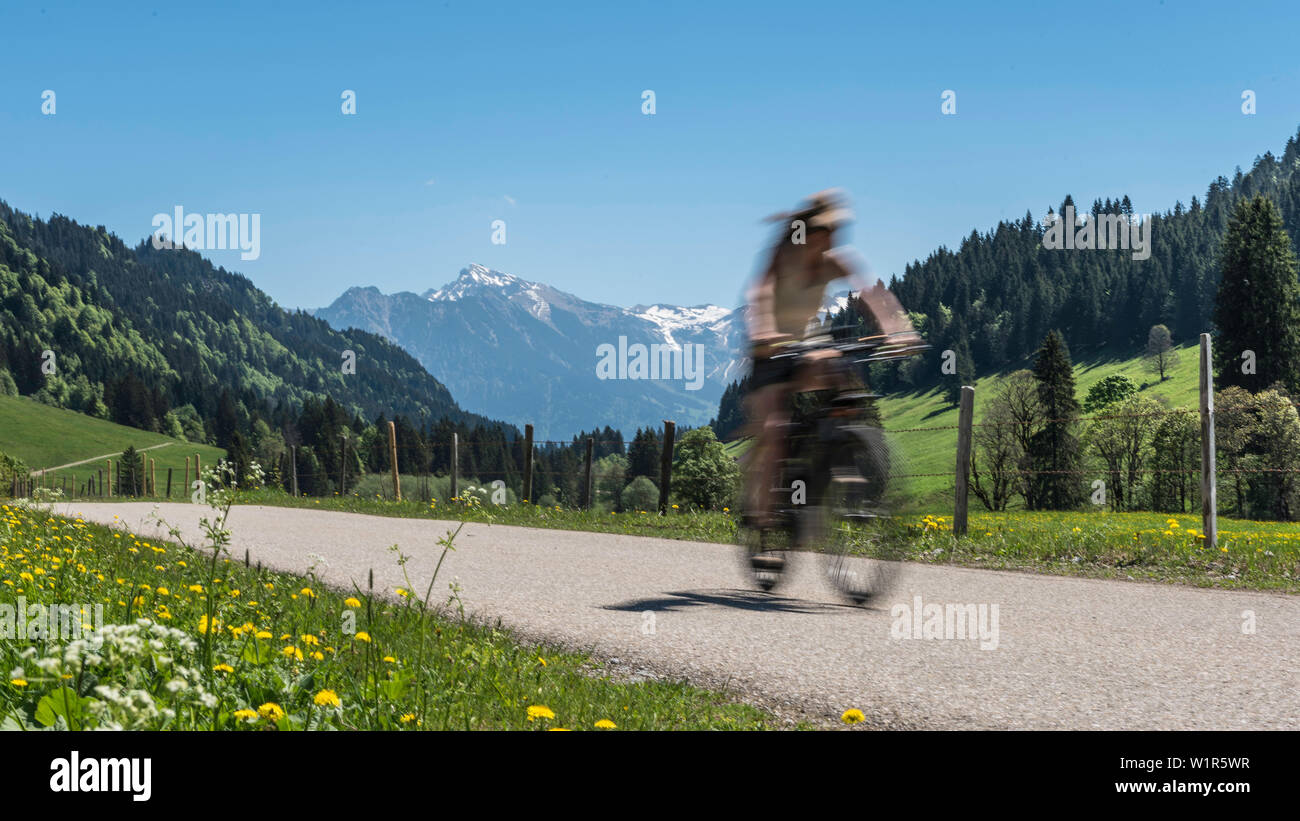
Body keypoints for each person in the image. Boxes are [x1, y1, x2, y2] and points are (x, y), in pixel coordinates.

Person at [742, 188, 919, 527]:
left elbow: (872, 293)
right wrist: (763, 332)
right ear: (808, 230)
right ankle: (762, 515)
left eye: (835, 231)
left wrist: (899, 329)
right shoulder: (784, 254)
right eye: (825, 230)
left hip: (806, 340)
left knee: (841, 377)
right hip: (770, 345)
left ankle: (839, 453)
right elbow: (759, 293)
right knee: (775, 429)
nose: (830, 237)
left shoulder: (837, 259)